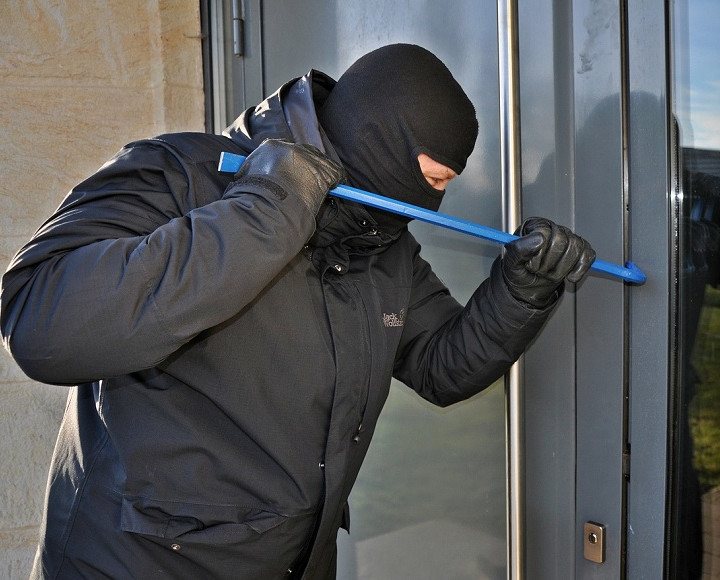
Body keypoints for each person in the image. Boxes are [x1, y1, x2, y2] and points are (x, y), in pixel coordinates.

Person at [0, 44, 594, 579]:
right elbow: (40, 325)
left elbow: (441, 368)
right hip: (134, 563)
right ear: (378, 143)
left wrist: (521, 290)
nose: (433, 201)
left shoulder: (380, 241)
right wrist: (267, 212)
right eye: (430, 178)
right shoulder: (180, 174)